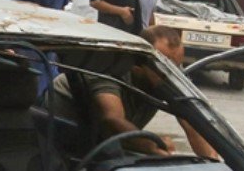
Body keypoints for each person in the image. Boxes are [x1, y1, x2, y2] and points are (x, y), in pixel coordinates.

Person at [78, 25, 220, 159]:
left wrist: (213, 163)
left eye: (176, 67)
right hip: (67, 143)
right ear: (138, 62)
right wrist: (151, 145)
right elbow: (113, 119)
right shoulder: (108, 68)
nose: (171, 75)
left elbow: (191, 121)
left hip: (103, 145)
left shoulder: (169, 77)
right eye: (163, 66)